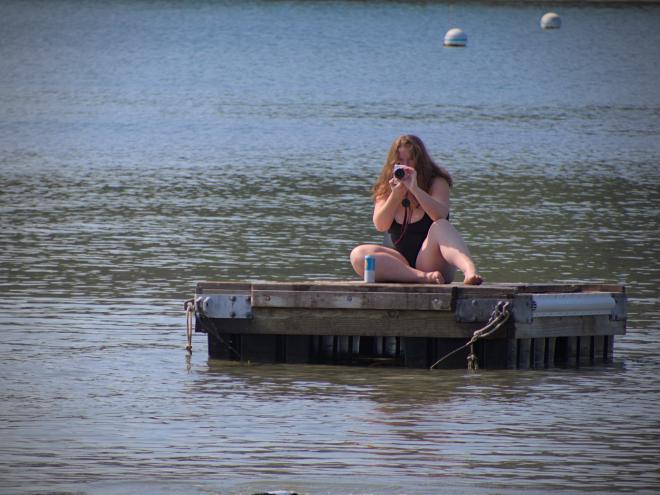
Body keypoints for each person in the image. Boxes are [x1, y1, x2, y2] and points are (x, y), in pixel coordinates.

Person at [350, 135, 483, 285]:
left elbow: (440, 215)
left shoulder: (437, 181)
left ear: (420, 161)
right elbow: (381, 225)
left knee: (441, 225)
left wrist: (415, 189)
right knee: (358, 255)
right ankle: (420, 277)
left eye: (410, 160)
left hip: (431, 260)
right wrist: (395, 195)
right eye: (400, 162)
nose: (406, 166)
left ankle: (470, 271)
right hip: (398, 264)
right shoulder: (387, 186)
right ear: (393, 164)